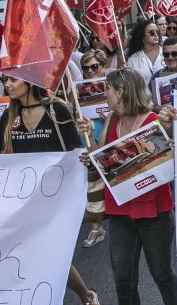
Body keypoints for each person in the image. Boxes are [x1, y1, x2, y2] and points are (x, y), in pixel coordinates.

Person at [0, 75, 100, 305]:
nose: (8, 85)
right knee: (36, 253)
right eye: (5, 80)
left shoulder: (57, 109)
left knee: (51, 253)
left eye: (13, 80)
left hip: (57, 197)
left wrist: (88, 137)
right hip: (24, 199)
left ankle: (85, 295)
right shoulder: (10, 114)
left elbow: (75, 150)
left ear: (29, 81)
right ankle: (80, 295)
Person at [78, 69, 177, 305]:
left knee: (162, 275)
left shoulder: (154, 121)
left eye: (107, 90)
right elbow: (101, 158)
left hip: (154, 210)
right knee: (123, 280)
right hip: (120, 210)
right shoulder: (113, 119)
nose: (104, 95)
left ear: (120, 92)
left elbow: (170, 158)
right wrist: (89, 147)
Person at [79, 49, 110, 249]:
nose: (90, 71)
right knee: (93, 183)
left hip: (110, 135)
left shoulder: (114, 85)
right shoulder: (77, 89)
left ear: (103, 66)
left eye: (94, 67)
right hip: (89, 136)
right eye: (86, 68)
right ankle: (97, 227)